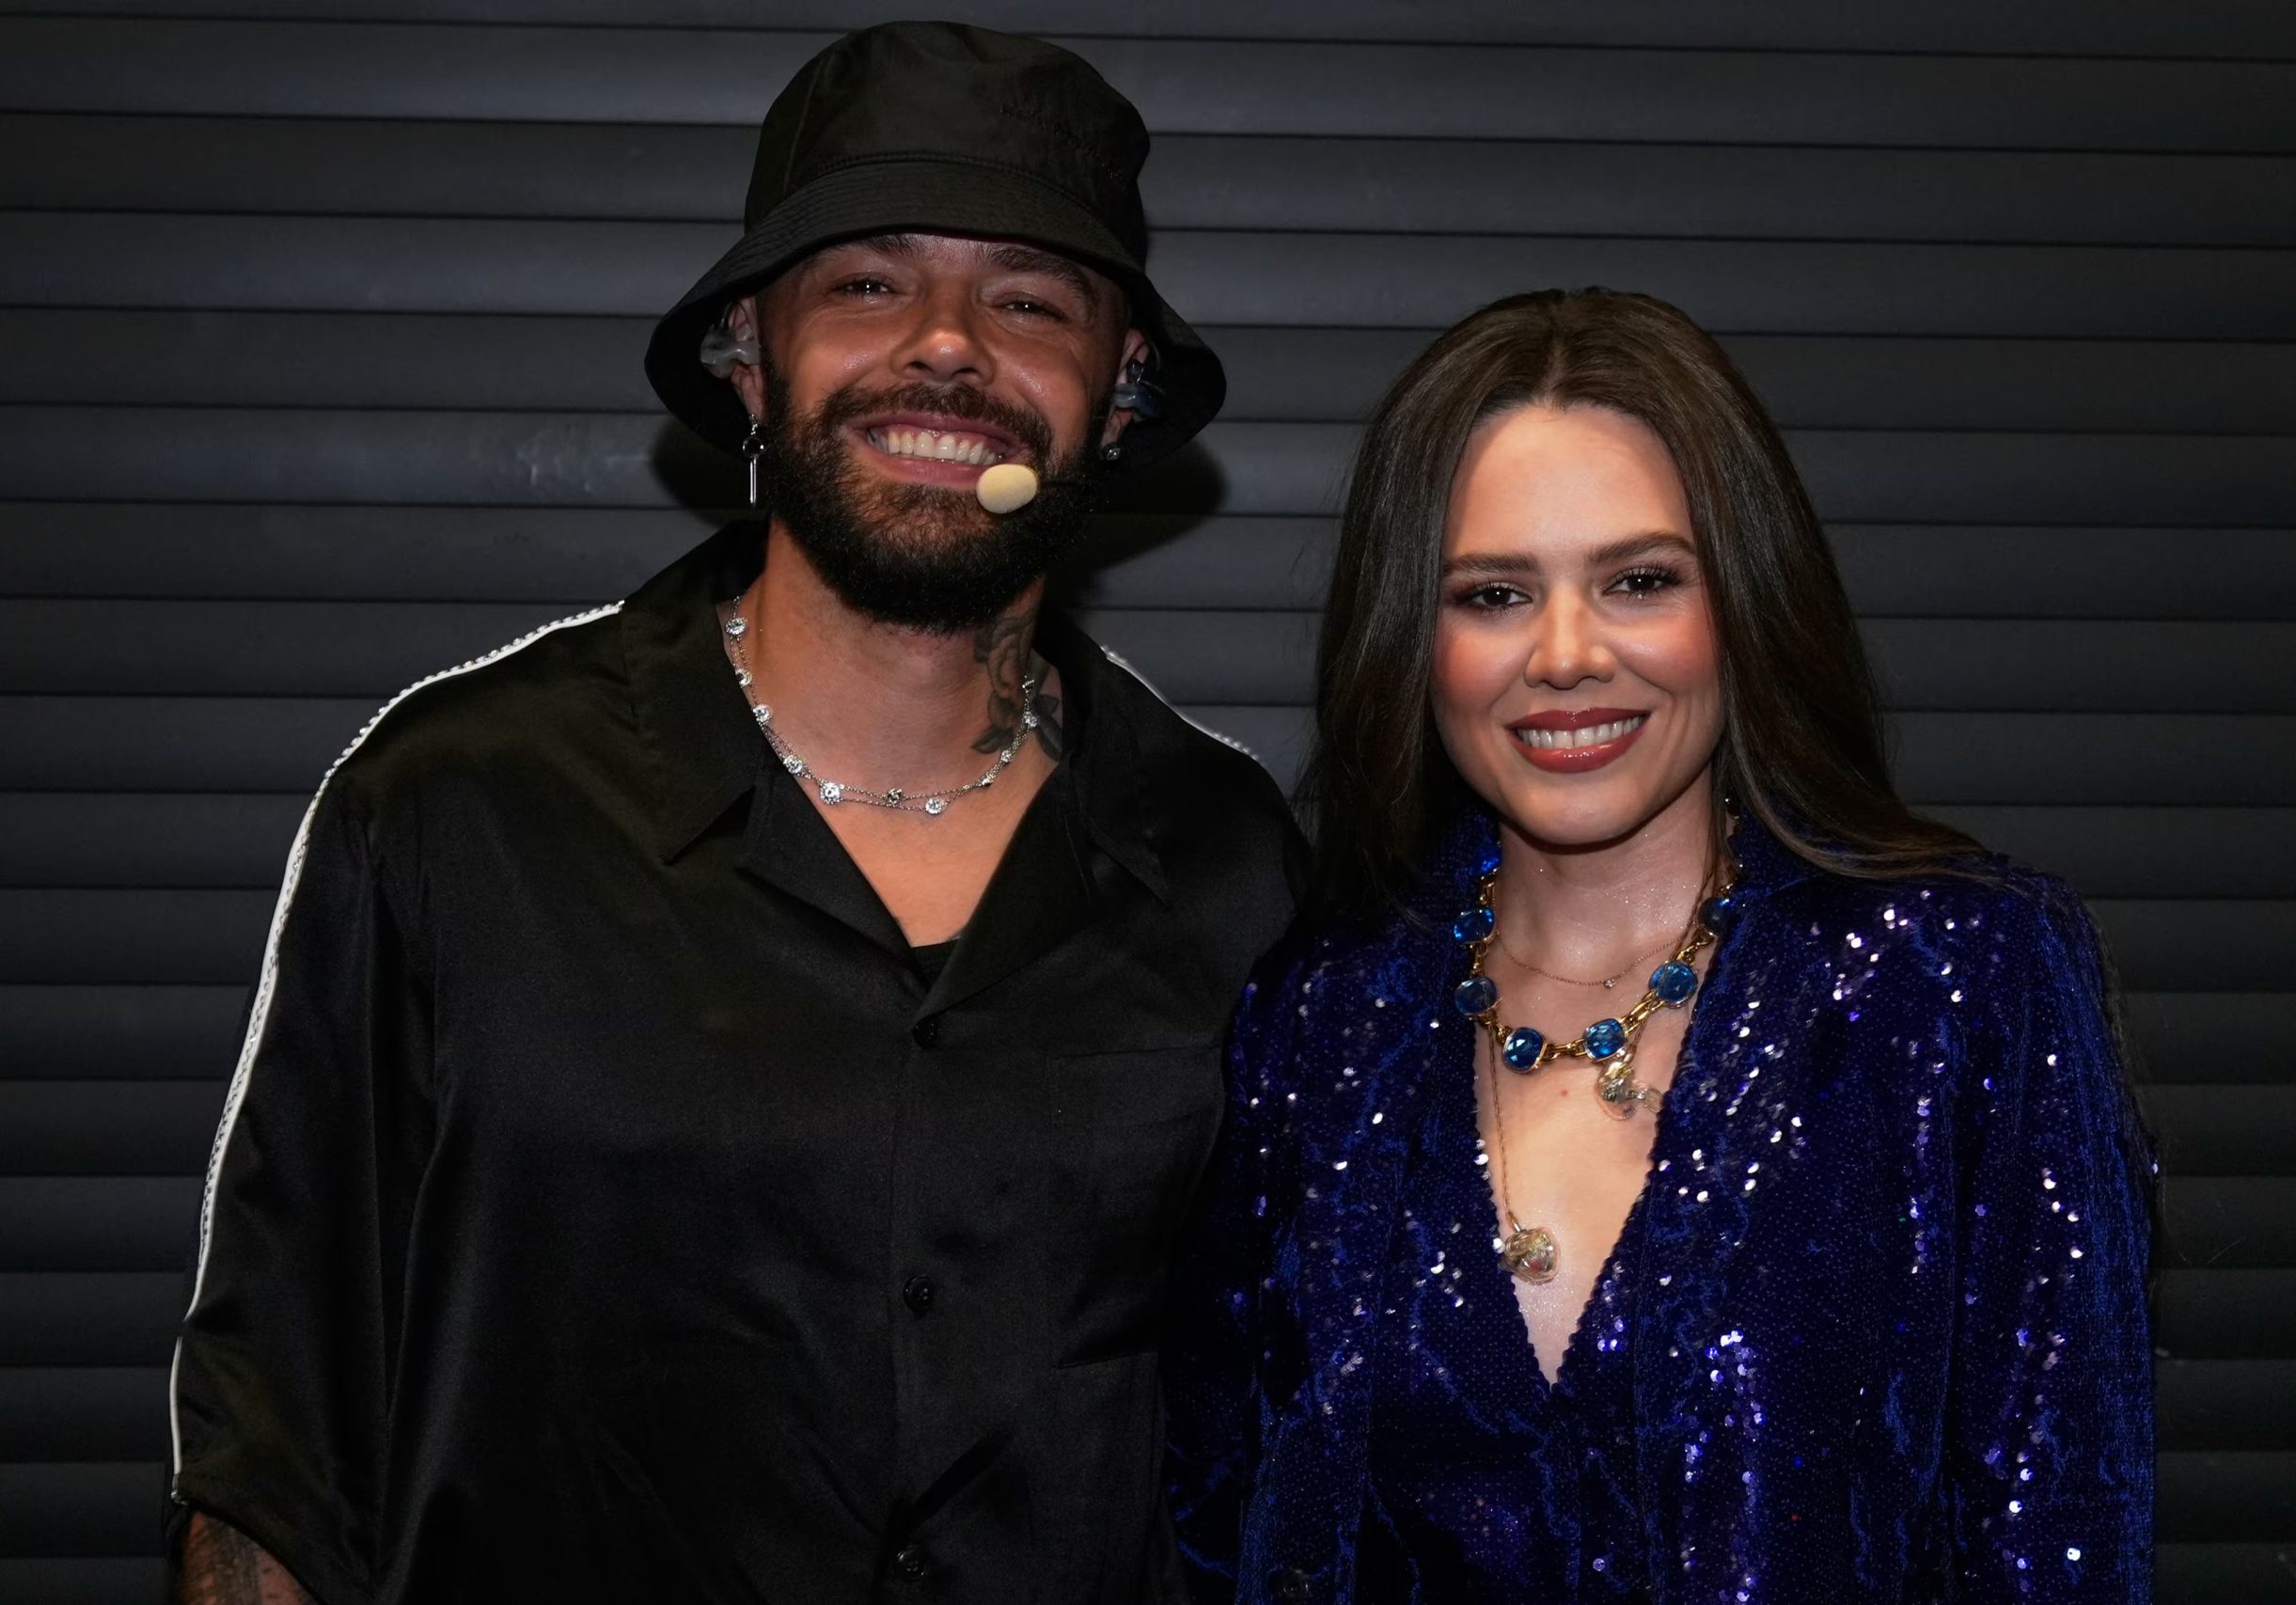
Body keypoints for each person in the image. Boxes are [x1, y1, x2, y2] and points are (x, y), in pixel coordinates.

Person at [167, 22, 1299, 1604]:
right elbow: (274, 1459)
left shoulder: (1235, 861)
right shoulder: (451, 808)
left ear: (1117, 394)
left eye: (1031, 300)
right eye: (869, 284)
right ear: (750, 359)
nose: (951, 348)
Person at [1163, 290, 2153, 1603]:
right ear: (1417, 637)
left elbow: (2059, 1532)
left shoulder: (1960, 978)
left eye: (1639, 581)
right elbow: (1225, 1516)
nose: (1566, 655)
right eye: (1494, 593)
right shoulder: (1319, 1018)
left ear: (1741, 602)